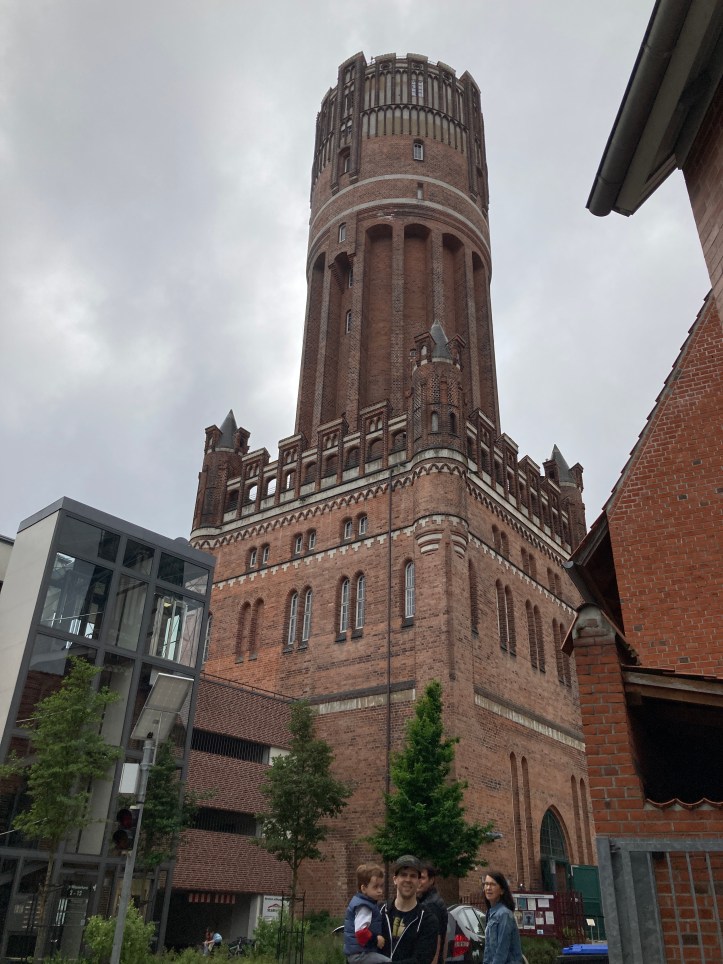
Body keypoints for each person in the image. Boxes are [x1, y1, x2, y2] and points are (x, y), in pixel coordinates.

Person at [380, 855, 438, 964]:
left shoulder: (427, 920)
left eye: (413, 876)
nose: (408, 880)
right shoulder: (380, 912)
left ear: (419, 882)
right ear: (395, 879)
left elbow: (421, 960)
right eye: (403, 875)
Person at [343, 862, 390, 963]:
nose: (380, 891)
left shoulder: (364, 902)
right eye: (375, 887)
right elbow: (361, 932)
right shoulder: (364, 907)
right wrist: (376, 940)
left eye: (381, 886)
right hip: (360, 955)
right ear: (364, 888)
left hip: (360, 952)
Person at [482, 872, 523, 964]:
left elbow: (502, 949)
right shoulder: (490, 913)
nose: (488, 888)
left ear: (502, 891)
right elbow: (489, 950)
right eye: (486, 884)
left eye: (493, 884)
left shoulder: (504, 914)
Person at [417, 861, 448, 964]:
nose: (418, 881)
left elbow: (437, 940)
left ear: (431, 880)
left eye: (422, 877)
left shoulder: (431, 905)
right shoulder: (428, 900)